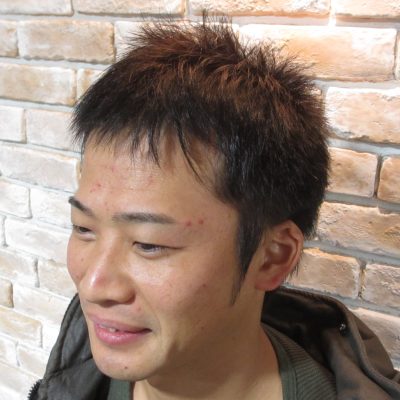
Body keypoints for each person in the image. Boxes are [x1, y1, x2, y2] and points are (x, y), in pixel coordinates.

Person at [29, 17, 400, 400]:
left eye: (149, 243)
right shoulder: (73, 379)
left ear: (272, 257)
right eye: (83, 228)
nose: (93, 286)